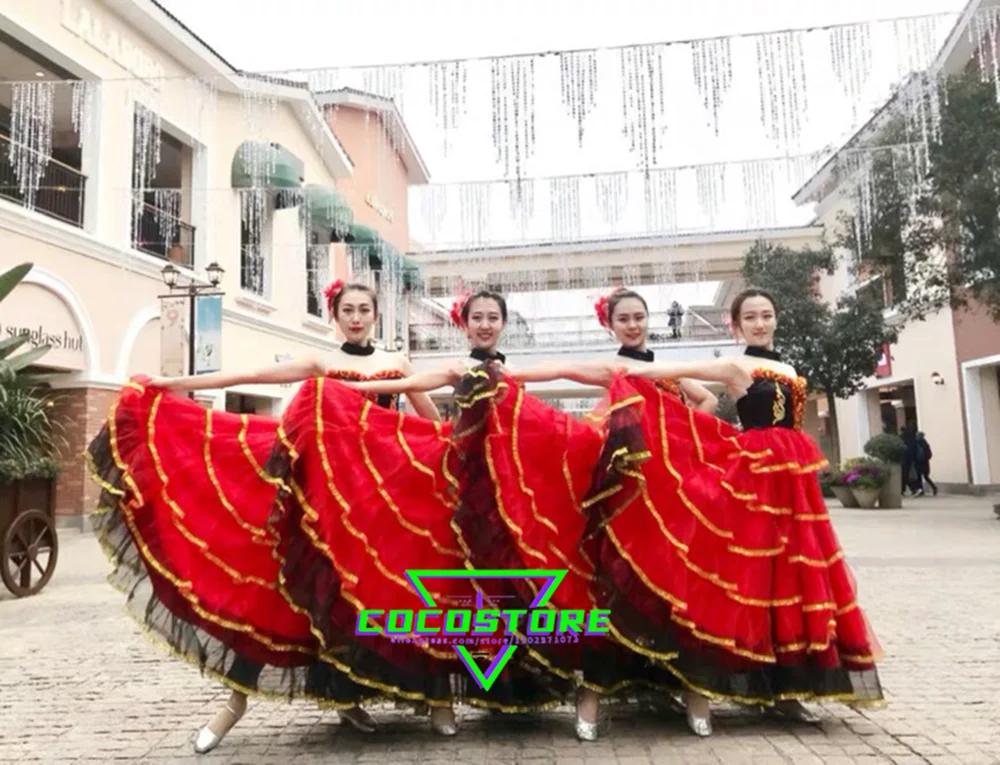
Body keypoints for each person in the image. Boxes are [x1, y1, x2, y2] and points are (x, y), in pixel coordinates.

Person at [86, 280, 463, 756]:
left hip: (379, 501)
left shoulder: (400, 364)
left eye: (365, 309)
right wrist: (176, 385)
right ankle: (233, 704)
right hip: (322, 496)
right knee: (281, 591)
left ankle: (427, 697)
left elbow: (429, 427)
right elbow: (249, 376)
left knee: (398, 590)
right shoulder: (321, 363)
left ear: (376, 315)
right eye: (347, 309)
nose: (356, 317)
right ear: (335, 314)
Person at [512, 287, 885, 734]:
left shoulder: (788, 367)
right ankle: (660, 691)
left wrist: (692, 436)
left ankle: (785, 690)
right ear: (735, 324)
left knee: (790, 580)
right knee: (739, 581)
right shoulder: (731, 366)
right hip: (744, 482)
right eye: (750, 317)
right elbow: (634, 372)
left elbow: (703, 403)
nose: (760, 323)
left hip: (794, 483)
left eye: (767, 314)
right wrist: (514, 374)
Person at [508, 287, 719, 740]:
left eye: (639, 317)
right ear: (611, 324)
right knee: (616, 591)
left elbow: (707, 401)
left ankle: (694, 688)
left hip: (672, 499)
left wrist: (682, 444)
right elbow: (562, 369)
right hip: (626, 502)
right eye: (624, 319)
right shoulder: (616, 370)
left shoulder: (667, 368)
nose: (634, 325)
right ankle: (593, 695)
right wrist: (508, 376)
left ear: (649, 318)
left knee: (676, 590)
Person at [901, 427, 924, 497]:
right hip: (913, 460)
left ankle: (913, 489)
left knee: (906, 476)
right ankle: (915, 489)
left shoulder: (902, 438)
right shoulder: (913, 439)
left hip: (905, 460)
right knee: (910, 476)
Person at [915, 431, 937, 496]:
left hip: (919, 462)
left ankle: (921, 490)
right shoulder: (926, 444)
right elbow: (930, 454)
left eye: (917, 436)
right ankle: (934, 487)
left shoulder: (917, 443)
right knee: (925, 477)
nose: (916, 437)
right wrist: (926, 459)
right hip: (925, 463)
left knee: (919, 477)